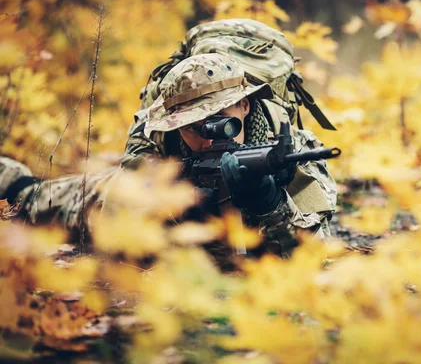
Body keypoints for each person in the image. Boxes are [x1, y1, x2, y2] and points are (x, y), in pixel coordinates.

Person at [0, 52, 337, 257]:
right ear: (175, 126)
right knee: (32, 201)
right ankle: (11, 178)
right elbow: (118, 238)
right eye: (193, 127)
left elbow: (313, 254)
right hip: (102, 196)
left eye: (220, 121)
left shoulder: (291, 152)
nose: (208, 138)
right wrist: (180, 209)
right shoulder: (155, 146)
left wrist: (269, 205)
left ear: (245, 104)